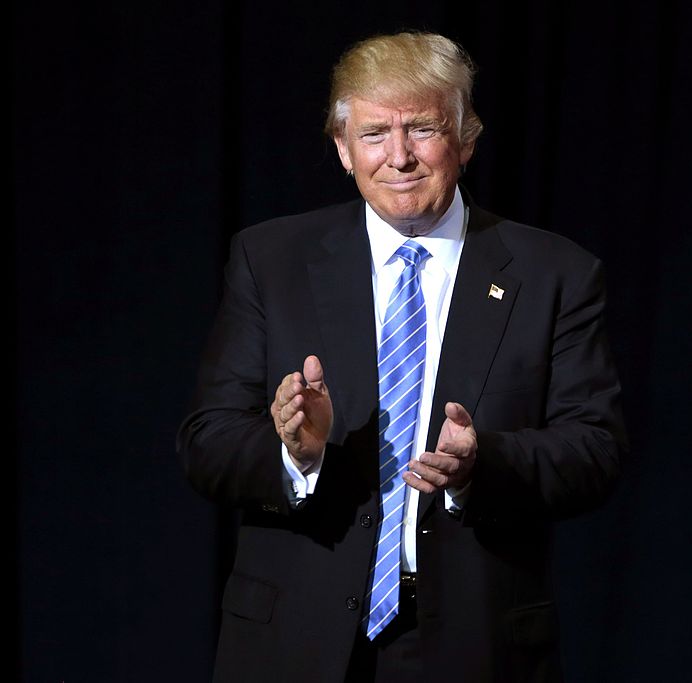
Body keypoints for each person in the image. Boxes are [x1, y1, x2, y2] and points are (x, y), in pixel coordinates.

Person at [177, 31, 627, 683]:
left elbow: (597, 449)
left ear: (466, 140)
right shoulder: (271, 260)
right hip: (292, 644)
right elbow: (206, 441)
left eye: (421, 129)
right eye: (374, 134)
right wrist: (294, 454)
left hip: (474, 646)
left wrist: (483, 464)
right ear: (341, 149)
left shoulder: (555, 272)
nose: (399, 157)